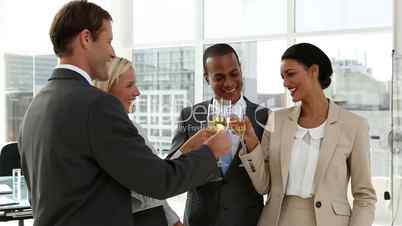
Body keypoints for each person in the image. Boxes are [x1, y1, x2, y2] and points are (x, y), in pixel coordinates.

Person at [17, 1, 231, 226]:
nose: (111, 52)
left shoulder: (36, 106)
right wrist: (210, 152)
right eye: (108, 41)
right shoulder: (98, 105)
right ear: (86, 38)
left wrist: (187, 150)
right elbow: (158, 182)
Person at [238, 43, 377, 226]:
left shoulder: (354, 125)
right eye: (282, 77)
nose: (285, 83)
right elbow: (263, 185)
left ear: (313, 71)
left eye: (291, 74)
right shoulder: (276, 119)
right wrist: (250, 141)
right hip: (278, 220)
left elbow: (364, 196)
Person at [167, 43, 269, 226]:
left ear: (241, 71)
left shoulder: (264, 116)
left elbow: (268, 179)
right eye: (219, 77)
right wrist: (191, 147)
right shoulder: (189, 117)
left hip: (247, 220)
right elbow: (171, 171)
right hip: (200, 220)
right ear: (207, 78)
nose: (229, 83)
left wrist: (252, 144)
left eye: (234, 74)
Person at [94, 57, 184, 226]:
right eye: (129, 85)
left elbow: (152, 188)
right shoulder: (111, 133)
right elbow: (151, 184)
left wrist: (174, 221)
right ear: (107, 89)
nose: (137, 92)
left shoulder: (133, 127)